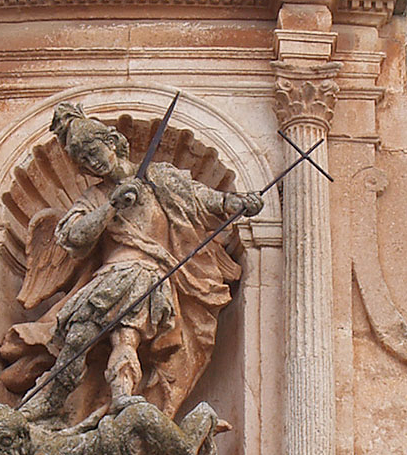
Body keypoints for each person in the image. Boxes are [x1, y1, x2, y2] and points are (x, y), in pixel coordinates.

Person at [16, 102, 262, 423]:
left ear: (113, 144)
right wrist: (111, 208)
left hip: (148, 274)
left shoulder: (158, 178)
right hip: (111, 275)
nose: (92, 162)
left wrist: (238, 202)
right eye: (84, 160)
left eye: (94, 151)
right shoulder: (97, 196)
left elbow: (203, 199)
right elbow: (73, 237)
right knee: (77, 337)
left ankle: (123, 397)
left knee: (126, 335)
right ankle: (53, 397)